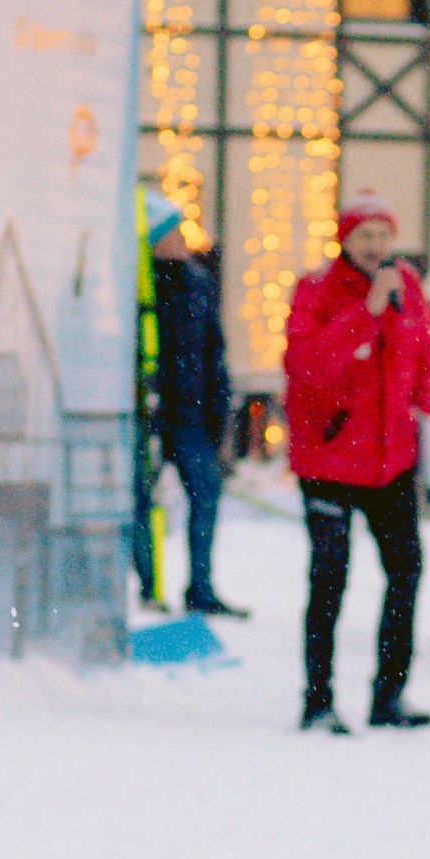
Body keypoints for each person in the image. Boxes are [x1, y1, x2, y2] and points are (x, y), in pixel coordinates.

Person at [283, 193, 430, 733]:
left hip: (390, 462)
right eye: (364, 235)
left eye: (382, 235)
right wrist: (364, 314)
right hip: (328, 460)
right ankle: (318, 700)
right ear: (343, 239)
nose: (375, 246)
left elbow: (422, 354)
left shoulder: (407, 286)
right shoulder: (316, 290)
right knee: (329, 581)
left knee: (406, 572)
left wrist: (425, 410)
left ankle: (388, 695)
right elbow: (306, 366)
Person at [136, 194, 242, 617]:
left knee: (206, 494)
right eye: (173, 231)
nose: (182, 238)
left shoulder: (197, 283)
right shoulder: (139, 286)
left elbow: (214, 350)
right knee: (145, 502)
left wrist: (218, 407)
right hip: (150, 415)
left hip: (192, 414)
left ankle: (201, 586)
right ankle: (151, 586)